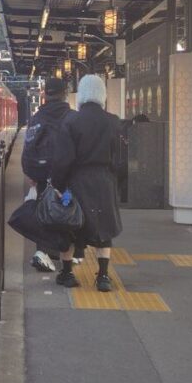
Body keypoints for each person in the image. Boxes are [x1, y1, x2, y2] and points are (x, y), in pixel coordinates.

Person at [51, 75, 123, 292]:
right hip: (104, 181)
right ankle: (103, 277)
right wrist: (115, 183)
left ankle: (67, 273)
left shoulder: (71, 121)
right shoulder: (113, 121)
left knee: (71, 227)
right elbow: (120, 159)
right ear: (103, 95)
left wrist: (58, 185)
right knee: (104, 231)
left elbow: (63, 159)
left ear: (81, 94)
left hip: (77, 182)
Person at [21, 77, 73, 272]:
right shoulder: (72, 117)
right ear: (64, 93)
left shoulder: (37, 118)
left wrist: (31, 175)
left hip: (42, 177)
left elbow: (28, 147)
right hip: (68, 180)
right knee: (66, 210)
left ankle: (43, 250)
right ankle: (63, 251)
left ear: (45, 94)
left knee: (44, 210)